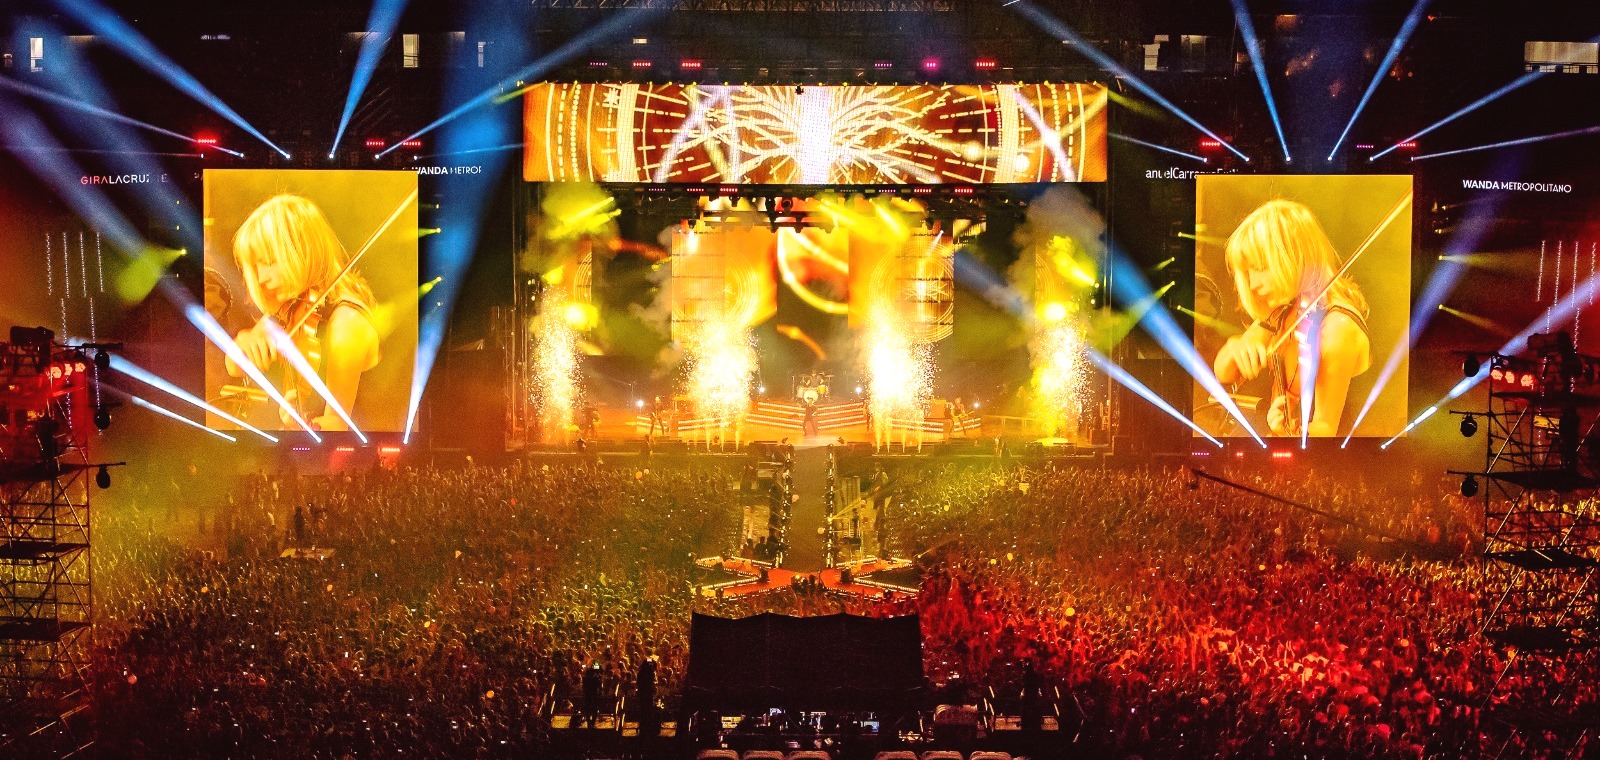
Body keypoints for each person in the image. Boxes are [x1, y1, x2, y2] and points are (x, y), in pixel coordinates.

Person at [1212, 199, 1371, 437]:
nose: (1253, 284)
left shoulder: (1337, 329)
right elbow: (1224, 373)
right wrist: (1235, 348)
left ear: (1296, 256)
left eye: (1261, 268)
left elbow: (1325, 429)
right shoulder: (1284, 312)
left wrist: (1288, 435)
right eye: (1247, 273)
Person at [226, 194, 380, 432]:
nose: (261, 278)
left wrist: (303, 426)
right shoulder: (291, 308)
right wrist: (242, 346)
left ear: (303, 251)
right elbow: (234, 367)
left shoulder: (346, 324)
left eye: (270, 261)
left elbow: (338, 424)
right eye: (255, 267)